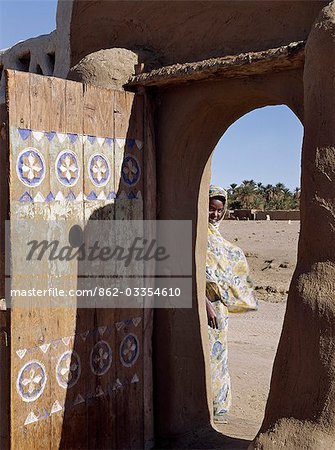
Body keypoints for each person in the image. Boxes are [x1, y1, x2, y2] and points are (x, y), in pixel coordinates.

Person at [206, 185, 258, 423]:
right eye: (210, 209)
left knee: (220, 356)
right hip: (204, 308)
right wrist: (204, 302)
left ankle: (220, 405)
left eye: (219, 210)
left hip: (220, 310)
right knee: (205, 355)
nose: (215, 215)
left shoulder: (221, 242)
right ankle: (206, 404)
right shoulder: (198, 237)